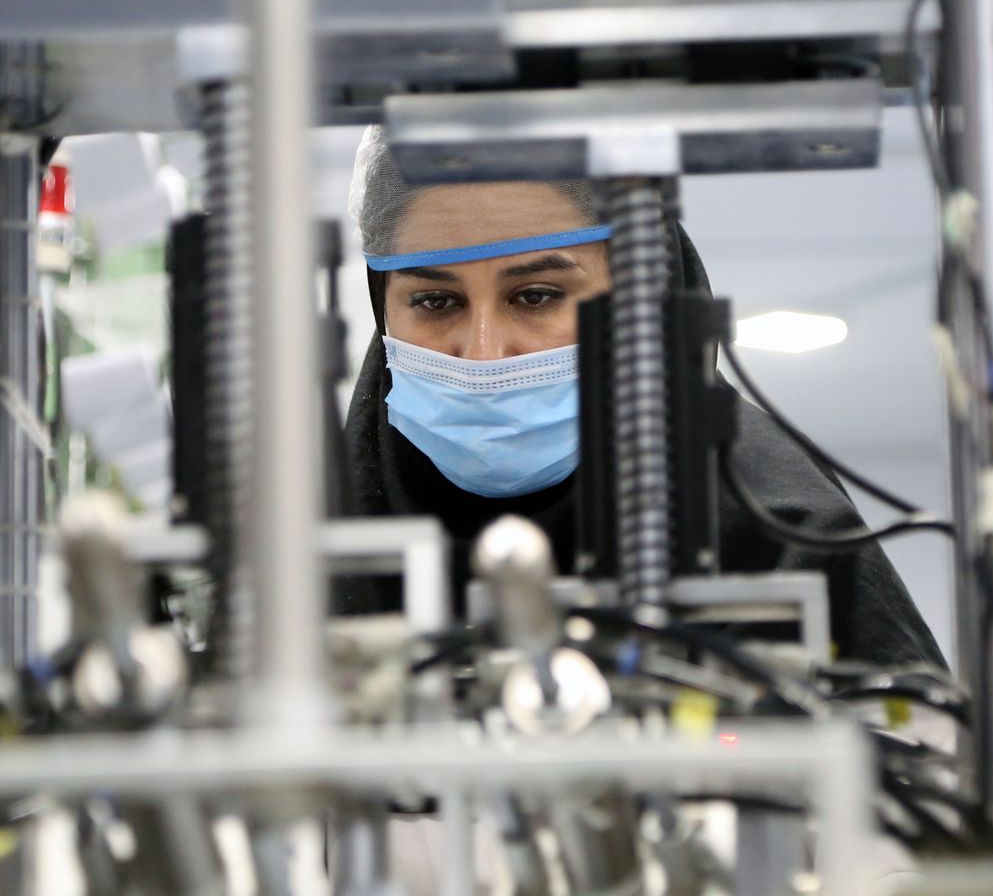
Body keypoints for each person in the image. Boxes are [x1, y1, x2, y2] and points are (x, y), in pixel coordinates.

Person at [342, 126, 943, 667]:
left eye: (537, 295)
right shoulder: (307, 535)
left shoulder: (780, 530)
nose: (484, 352)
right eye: (436, 302)